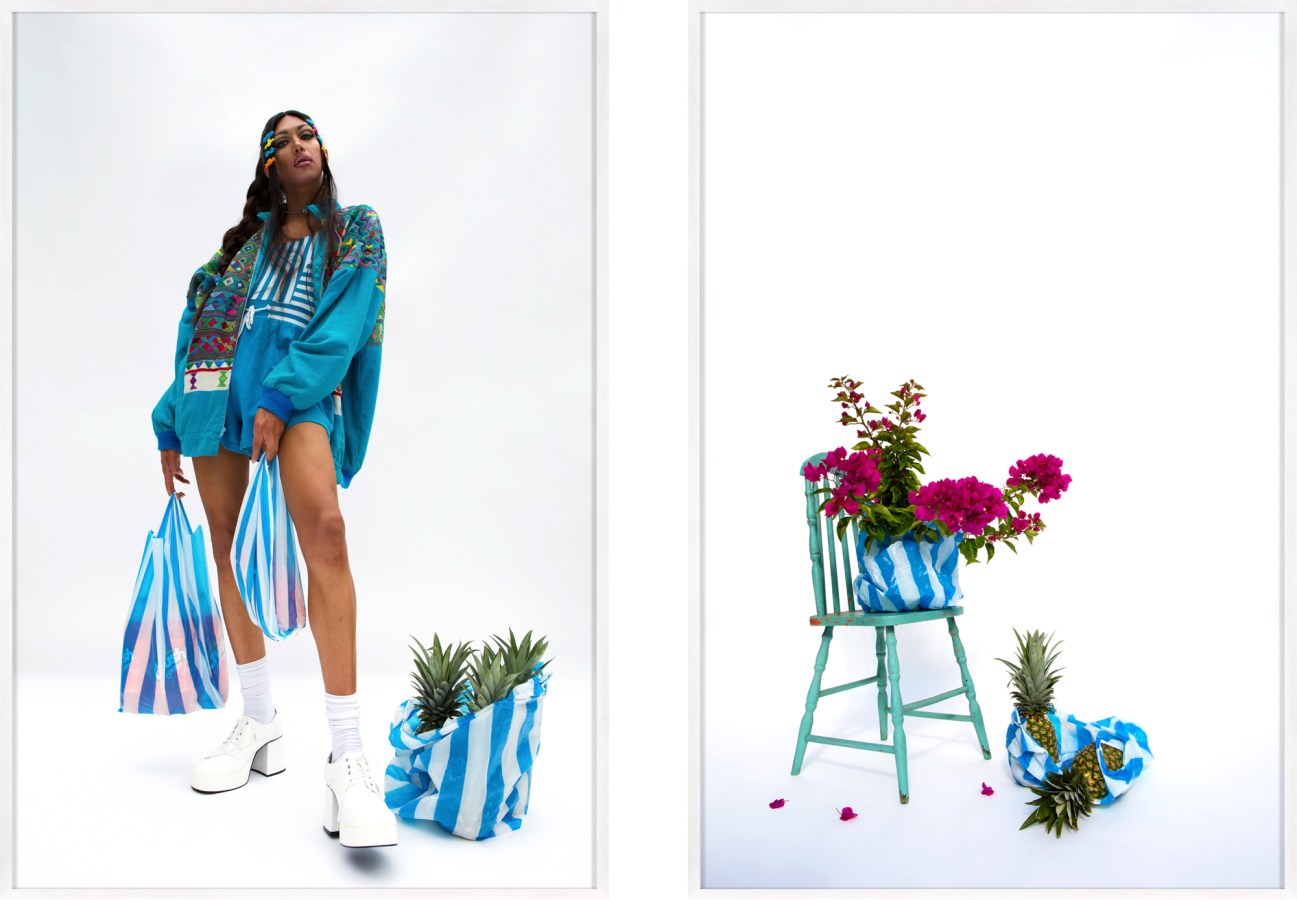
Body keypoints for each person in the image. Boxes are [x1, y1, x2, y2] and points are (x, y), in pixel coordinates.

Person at [150, 109, 394, 849]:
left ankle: (347, 756)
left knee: (324, 533)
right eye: (281, 140)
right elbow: (191, 341)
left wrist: (284, 396)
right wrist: (168, 420)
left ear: (322, 150)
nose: (298, 145)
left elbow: (345, 324)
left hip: (298, 398)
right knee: (226, 549)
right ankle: (258, 719)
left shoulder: (354, 229)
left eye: (307, 134)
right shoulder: (228, 262)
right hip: (215, 400)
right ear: (266, 166)